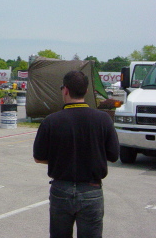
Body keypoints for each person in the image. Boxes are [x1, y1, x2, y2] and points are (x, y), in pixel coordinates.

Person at [33, 71, 119, 238]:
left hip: (61, 189)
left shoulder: (51, 120)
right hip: (91, 189)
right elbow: (114, 155)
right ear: (86, 91)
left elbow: (38, 156)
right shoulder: (103, 119)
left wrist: (62, 158)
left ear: (65, 90)